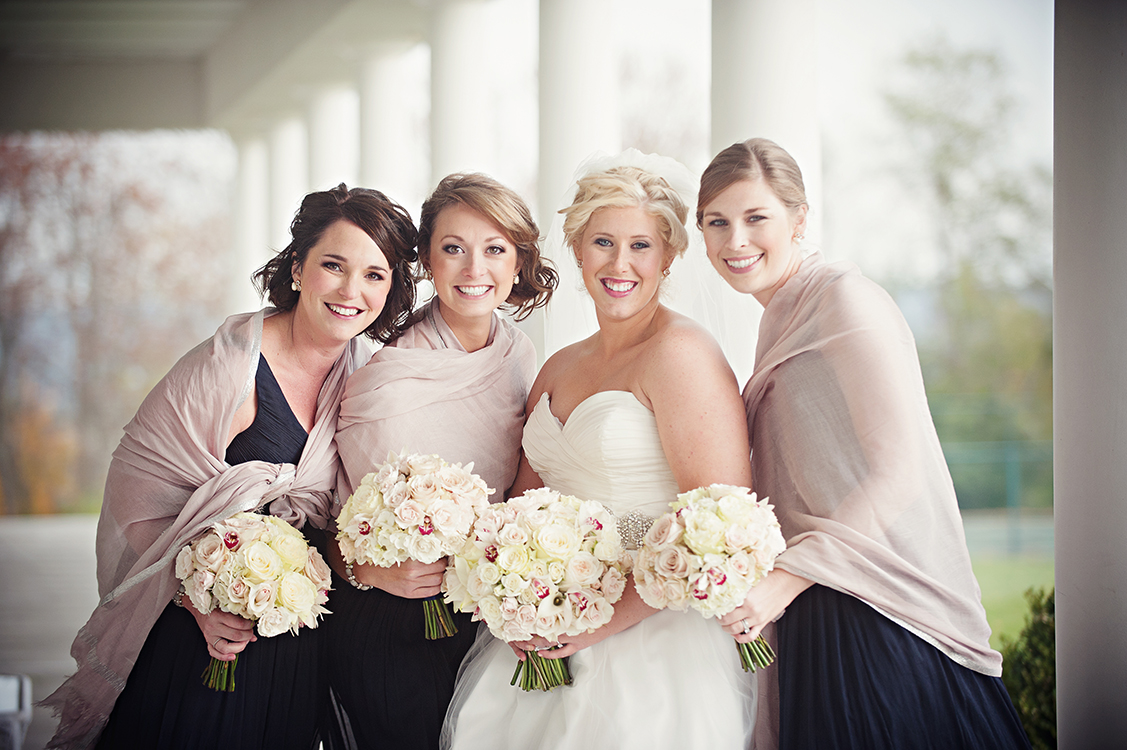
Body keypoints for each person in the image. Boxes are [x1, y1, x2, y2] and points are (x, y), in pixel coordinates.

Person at [42, 185, 419, 750]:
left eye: (374, 275)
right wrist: (197, 600)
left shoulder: (367, 378)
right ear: (297, 268)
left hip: (299, 642)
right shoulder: (228, 370)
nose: (350, 291)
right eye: (333, 266)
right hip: (207, 638)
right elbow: (135, 497)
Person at [699, 138, 1031, 749]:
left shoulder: (844, 300)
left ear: (799, 219)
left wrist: (786, 578)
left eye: (755, 218)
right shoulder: (782, 314)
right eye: (717, 223)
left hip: (874, 609)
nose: (735, 241)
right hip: (818, 600)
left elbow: (899, 473)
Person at [441, 153, 758, 750]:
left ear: (668, 257)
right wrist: (511, 600)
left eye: (641, 245)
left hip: (653, 635)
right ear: (578, 249)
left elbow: (718, 522)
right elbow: (521, 504)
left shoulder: (682, 354)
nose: (620, 264)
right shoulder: (558, 365)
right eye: (603, 242)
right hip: (545, 627)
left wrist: (596, 624)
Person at [321, 172, 556, 750]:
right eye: (453, 249)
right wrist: (370, 570)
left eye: (495, 249)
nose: (475, 269)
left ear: (519, 262)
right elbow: (328, 520)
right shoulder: (387, 378)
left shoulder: (520, 356)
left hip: (489, 618)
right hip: (396, 620)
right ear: (425, 260)